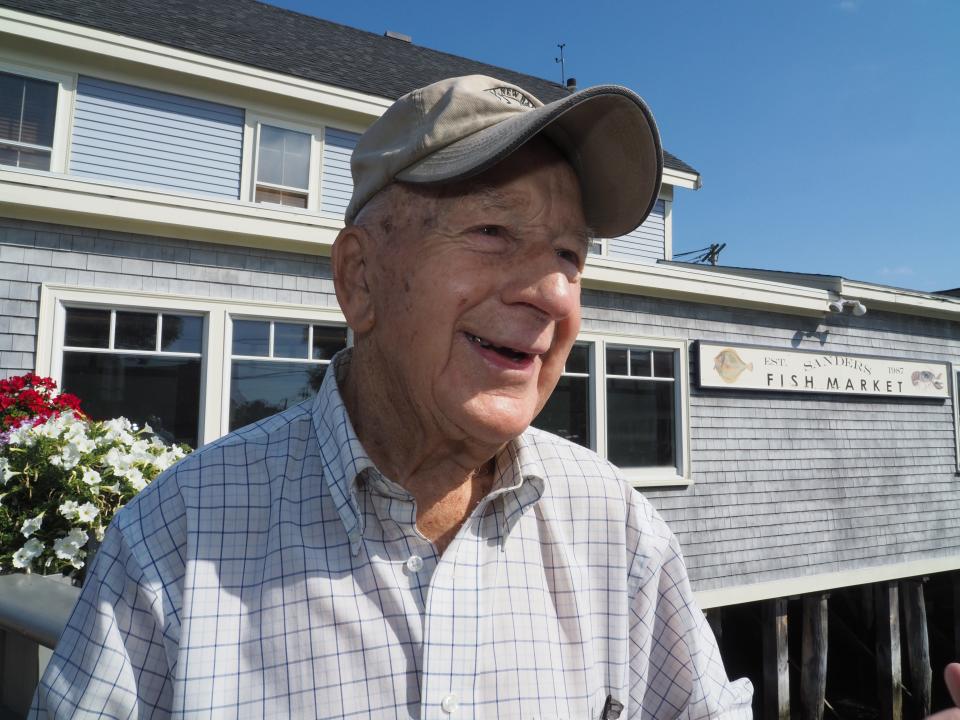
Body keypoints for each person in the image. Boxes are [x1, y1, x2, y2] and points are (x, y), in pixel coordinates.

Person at [28, 74, 958, 718]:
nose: (552, 295)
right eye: (491, 231)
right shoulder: (175, 543)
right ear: (360, 280)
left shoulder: (618, 530)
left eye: (569, 257)